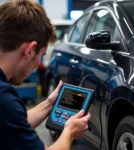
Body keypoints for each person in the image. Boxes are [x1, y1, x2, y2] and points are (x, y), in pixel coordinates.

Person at [0, 0, 91, 150]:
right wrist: (69, 132)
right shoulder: (4, 98)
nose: (38, 64)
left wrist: (49, 104)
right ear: (29, 51)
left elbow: (13, 125)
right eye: (41, 55)